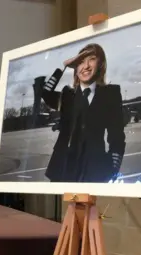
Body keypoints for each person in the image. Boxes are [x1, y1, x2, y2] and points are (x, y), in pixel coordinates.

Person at [42, 43, 126, 183]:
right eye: (80, 62)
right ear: (75, 67)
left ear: (100, 64)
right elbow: (45, 93)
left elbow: (116, 137)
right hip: (64, 168)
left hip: (94, 169)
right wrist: (63, 66)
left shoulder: (110, 95)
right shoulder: (67, 95)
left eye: (91, 59)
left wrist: (112, 168)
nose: (86, 66)